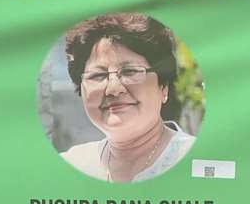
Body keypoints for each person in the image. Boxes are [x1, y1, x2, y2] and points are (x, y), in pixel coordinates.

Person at [58, 13, 196, 183]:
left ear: (163, 86)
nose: (113, 89)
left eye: (130, 72)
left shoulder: (199, 161)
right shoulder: (72, 164)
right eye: (98, 75)